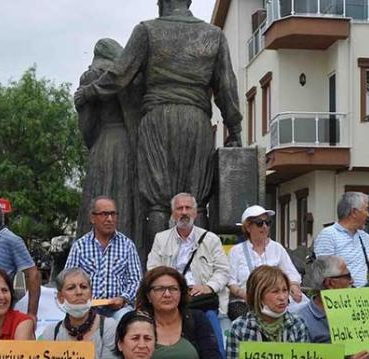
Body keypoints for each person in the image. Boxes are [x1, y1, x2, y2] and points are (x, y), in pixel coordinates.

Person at [74, 0, 242, 256]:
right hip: (196, 121)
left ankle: (157, 272)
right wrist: (235, 129)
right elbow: (227, 87)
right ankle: (197, 268)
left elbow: (120, 75)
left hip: (157, 120)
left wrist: (89, 92)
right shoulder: (213, 35)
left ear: (162, 2)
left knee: (158, 204)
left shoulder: (147, 30)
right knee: (196, 203)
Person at [147, 192, 230, 357]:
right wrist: (172, 287)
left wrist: (208, 287)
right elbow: (152, 270)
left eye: (188, 208)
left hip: (202, 299)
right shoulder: (161, 239)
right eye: (179, 208)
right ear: (172, 213)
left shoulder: (211, 239)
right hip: (171, 298)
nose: (184, 212)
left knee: (214, 343)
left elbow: (223, 270)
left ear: (195, 212)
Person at [76, 38, 137, 239]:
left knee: (99, 195)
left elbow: (87, 124)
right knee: (126, 200)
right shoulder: (130, 76)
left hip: (104, 143)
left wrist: (92, 144)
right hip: (129, 144)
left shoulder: (92, 76)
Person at [65, 196, 142, 321]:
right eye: (104, 214)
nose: (110, 219)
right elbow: (68, 279)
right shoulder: (80, 246)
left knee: (125, 322)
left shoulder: (128, 245)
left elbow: (136, 280)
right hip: (87, 308)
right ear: (92, 218)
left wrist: (123, 298)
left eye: (113, 214)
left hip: (119, 309)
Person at [227, 205, 305, 321]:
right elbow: (230, 280)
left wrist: (293, 285)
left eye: (268, 222)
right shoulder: (236, 251)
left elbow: (291, 273)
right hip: (246, 302)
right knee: (249, 320)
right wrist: (244, 294)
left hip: (276, 300)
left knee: (301, 314)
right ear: (248, 227)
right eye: (259, 223)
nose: (264, 226)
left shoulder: (277, 248)